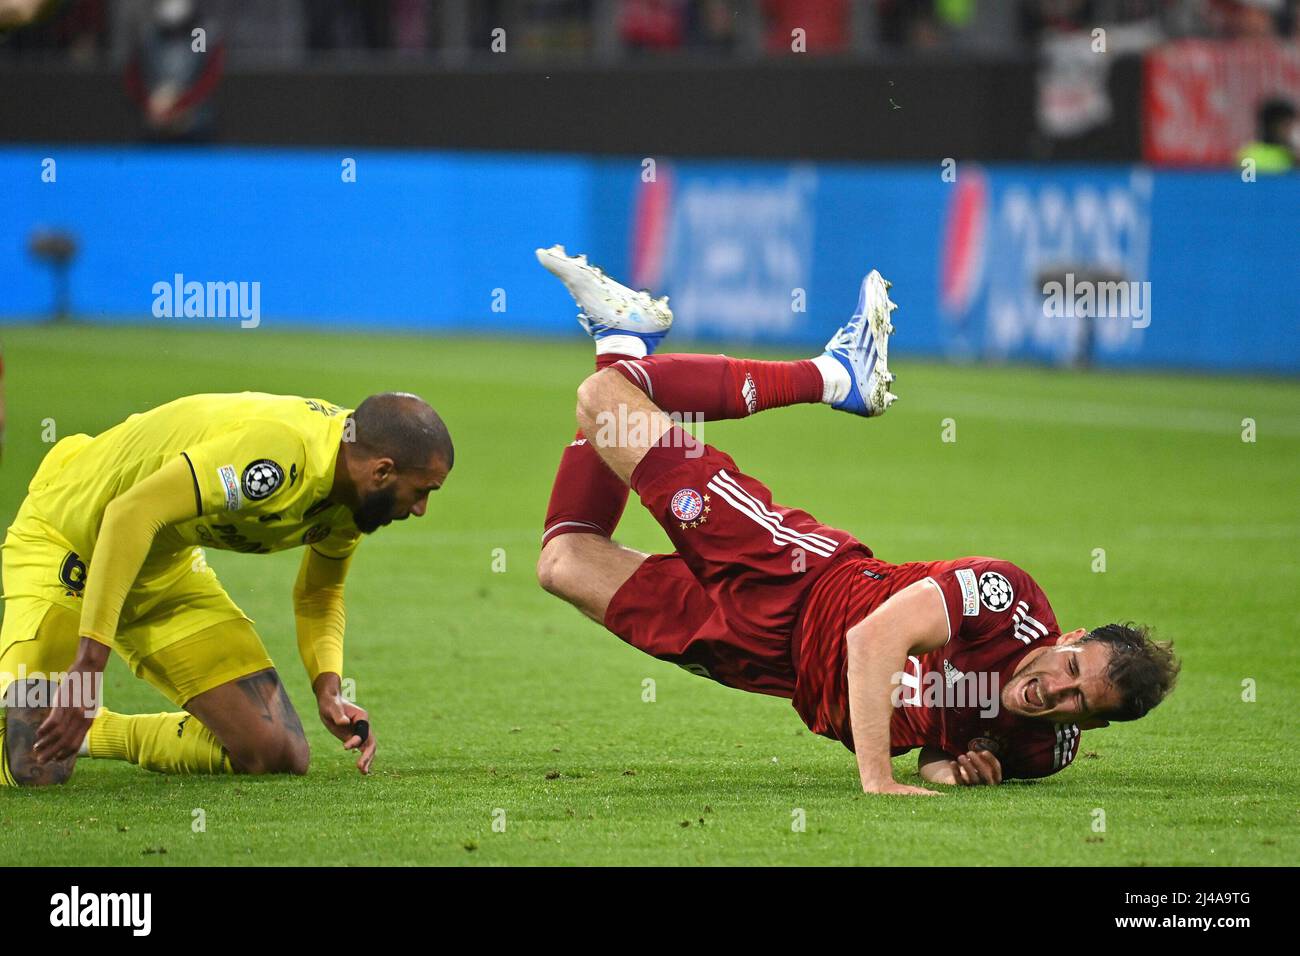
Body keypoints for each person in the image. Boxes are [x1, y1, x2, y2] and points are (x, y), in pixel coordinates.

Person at [534, 245, 1178, 795]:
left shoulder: (1045, 751)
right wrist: (879, 778)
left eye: (1078, 704)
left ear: (1088, 727)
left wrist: (949, 770)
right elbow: (871, 641)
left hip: (769, 666)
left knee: (564, 562)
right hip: (794, 581)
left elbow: (939, 740)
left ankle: (624, 339)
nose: (1055, 694)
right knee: (608, 402)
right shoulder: (1004, 598)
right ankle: (831, 375)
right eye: (1069, 669)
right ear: (1071, 636)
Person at [1, 390, 452, 786]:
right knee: (31, 765)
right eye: (421, 491)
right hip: (71, 540)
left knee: (276, 753)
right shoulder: (278, 457)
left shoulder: (351, 494)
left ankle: (96, 730)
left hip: (161, 563)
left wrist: (328, 689)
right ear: (382, 470)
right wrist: (89, 665)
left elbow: (319, 595)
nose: (421, 510)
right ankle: (41, 717)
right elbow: (128, 515)